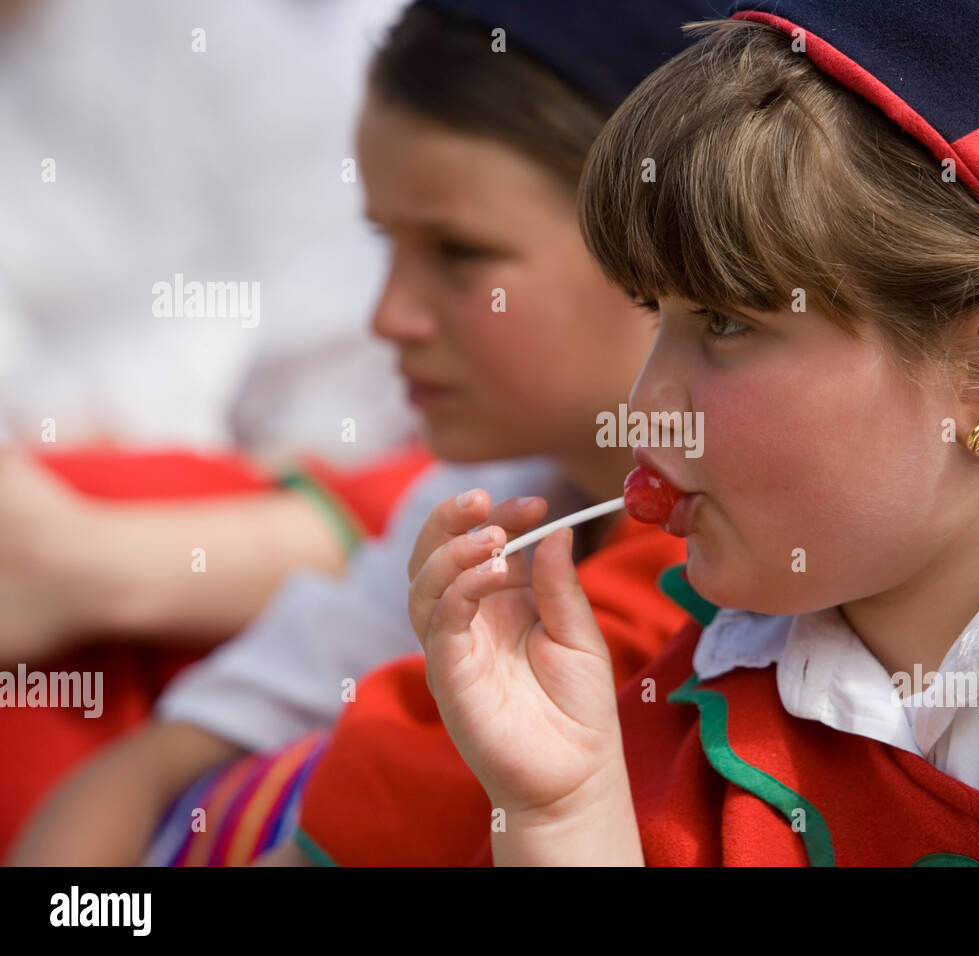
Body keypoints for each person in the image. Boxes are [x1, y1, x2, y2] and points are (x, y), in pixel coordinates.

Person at [406, 1, 979, 865]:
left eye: (724, 323)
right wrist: (562, 816)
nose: (644, 406)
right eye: (656, 316)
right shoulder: (733, 644)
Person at [7, 0, 713, 866]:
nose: (388, 317)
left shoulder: (725, 582)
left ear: (660, 249)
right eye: (385, 245)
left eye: (459, 255)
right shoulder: (496, 508)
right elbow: (145, 769)